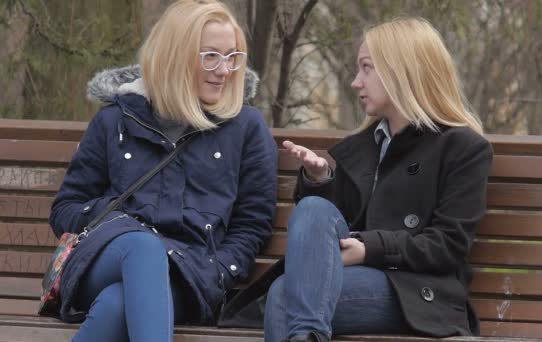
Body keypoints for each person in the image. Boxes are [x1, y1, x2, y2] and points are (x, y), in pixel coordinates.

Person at [48, 1, 277, 341]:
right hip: (109, 257)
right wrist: (124, 226)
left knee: (116, 305)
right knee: (142, 248)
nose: (225, 69)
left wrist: (217, 272)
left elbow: (252, 225)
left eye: (233, 57)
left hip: (190, 275)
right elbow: (66, 210)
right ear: (174, 56)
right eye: (210, 56)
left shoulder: (245, 127)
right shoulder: (116, 121)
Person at [264, 17, 493, 342]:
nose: (356, 83)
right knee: (313, 209)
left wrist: (368, 250)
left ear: (402, 72)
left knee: (285, 296)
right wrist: (321, 180)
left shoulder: (463, 148)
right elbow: (331, 231)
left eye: (367, 68)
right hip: (350, 278)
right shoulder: (362, 147)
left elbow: (448, 246)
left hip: (416, 292)